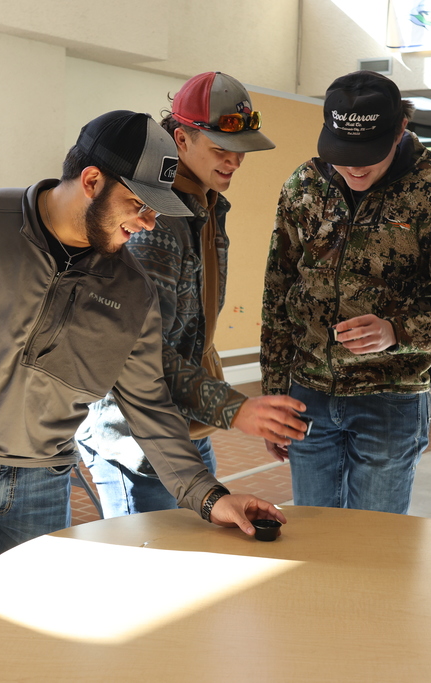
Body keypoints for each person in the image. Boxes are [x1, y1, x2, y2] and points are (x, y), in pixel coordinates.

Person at [0, 110, 287, 682]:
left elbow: (150, 405)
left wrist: (209, 496)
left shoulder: (130, 289)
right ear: (91, 182)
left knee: (27, 640)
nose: (146, 225)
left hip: (43, 483)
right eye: (137, 206)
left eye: (155, 211)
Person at [77, 72, 307, 517]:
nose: (234, 163)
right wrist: (234, 408)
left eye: (240, 152)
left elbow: (191, 329)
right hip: (136, 437)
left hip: (182, 429)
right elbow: (139, 353)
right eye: (221, 150)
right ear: (180, 139)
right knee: (149, 572)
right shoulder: (156, 221)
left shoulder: (202, 204)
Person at [261, 71, 431, 513]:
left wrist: (396, 332)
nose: (355, 167)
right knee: (312, 538)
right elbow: (277, 292)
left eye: (368, 153)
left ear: (401, 129)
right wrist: (272, 393)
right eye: (343, 154)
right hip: (308, 394)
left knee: (374, 546)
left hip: (391, 400)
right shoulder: (304, 187)